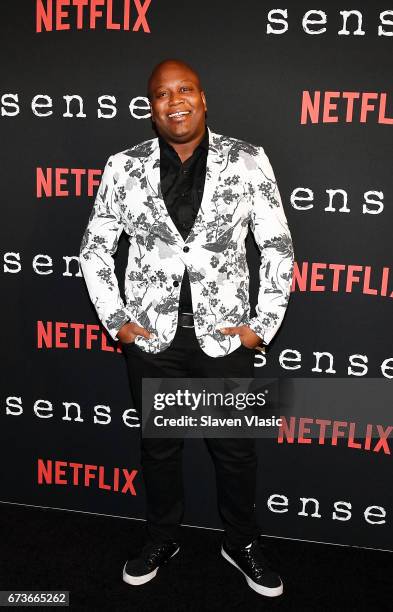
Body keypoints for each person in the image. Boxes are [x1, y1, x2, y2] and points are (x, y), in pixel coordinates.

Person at [79, 58, 294, 597]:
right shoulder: (122, 166)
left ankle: (240, 541)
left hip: (225, 338)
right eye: (162, 94)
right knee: (159, 450)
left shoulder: (247, 160)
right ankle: (162, 536)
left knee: (235, 450)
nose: (175, 100)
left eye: (185, 90)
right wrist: (118, 320)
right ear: (150, 108)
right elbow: (96, 246)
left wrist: (260, 326)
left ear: (203, 98)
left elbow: (277, 246)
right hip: (153, 339)